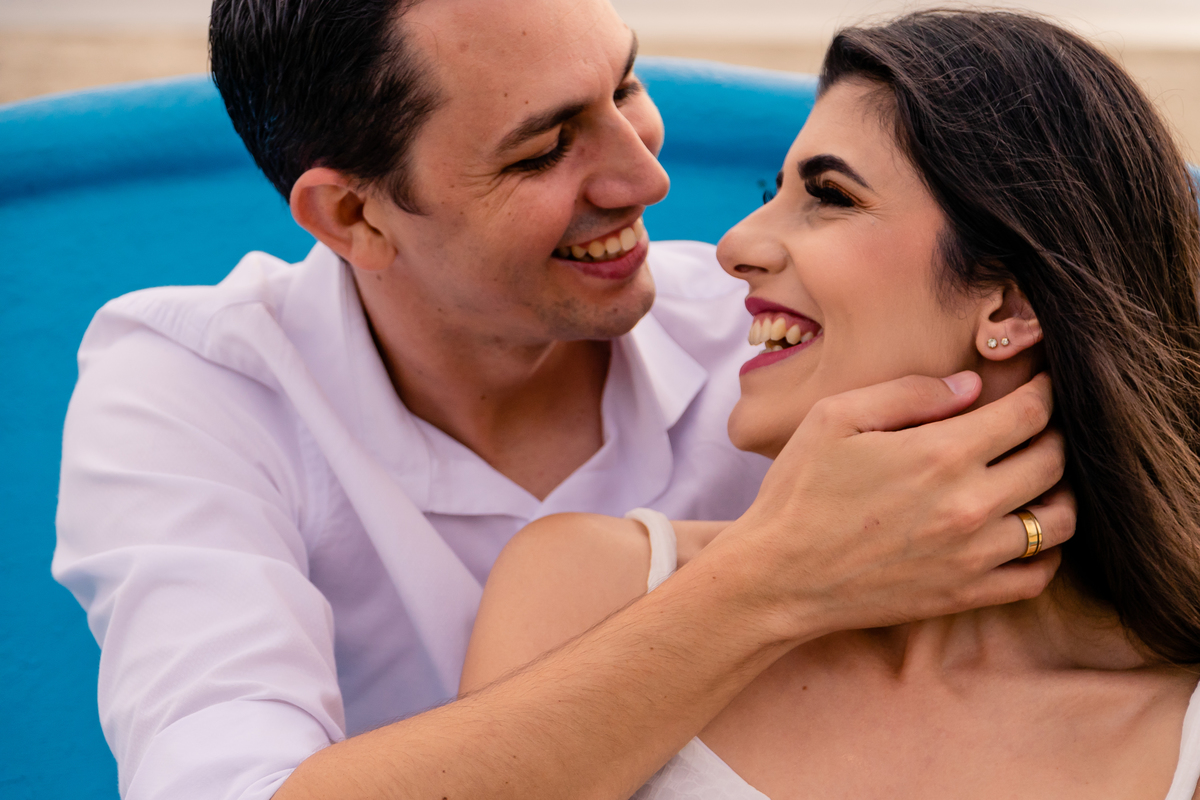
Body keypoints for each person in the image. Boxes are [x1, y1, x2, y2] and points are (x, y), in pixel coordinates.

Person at [53, 1, 1070, 799]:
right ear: (354, 214)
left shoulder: (779, 335)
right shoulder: (191, 389)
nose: (645, 177)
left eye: (625, 85)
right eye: (543, 149)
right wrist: (772, 581)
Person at [462, 9, 1200, 798]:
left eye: (830, 196)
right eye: (773, 191)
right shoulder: (590, 584)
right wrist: (767, 582)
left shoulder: (1178, 722)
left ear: (1010, 305)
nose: (734, 246)